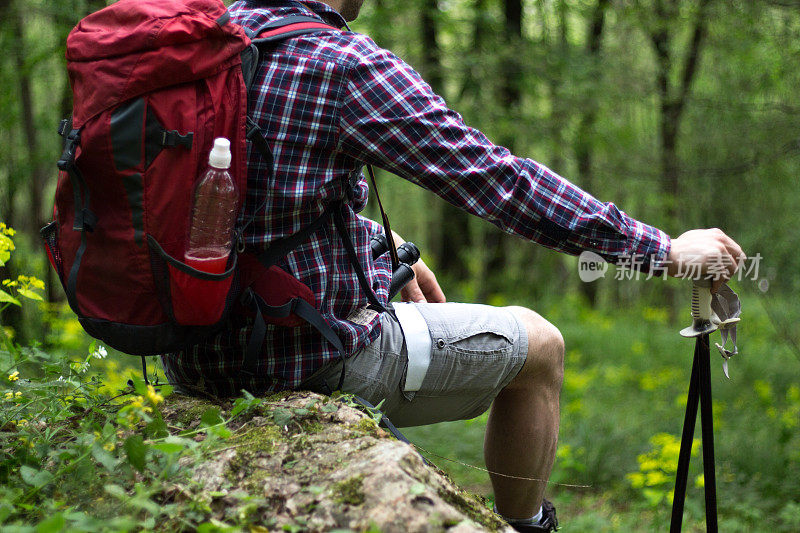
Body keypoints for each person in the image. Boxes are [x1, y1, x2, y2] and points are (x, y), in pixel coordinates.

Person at [161, 0, 745, 530]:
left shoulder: (209, 46)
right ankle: (526, 525)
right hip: (296, 359)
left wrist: (387, 252)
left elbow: (252, 209)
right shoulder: (341, 64)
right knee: (541, 347)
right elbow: (494, 179)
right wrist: (658, 249)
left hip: (190, 353)